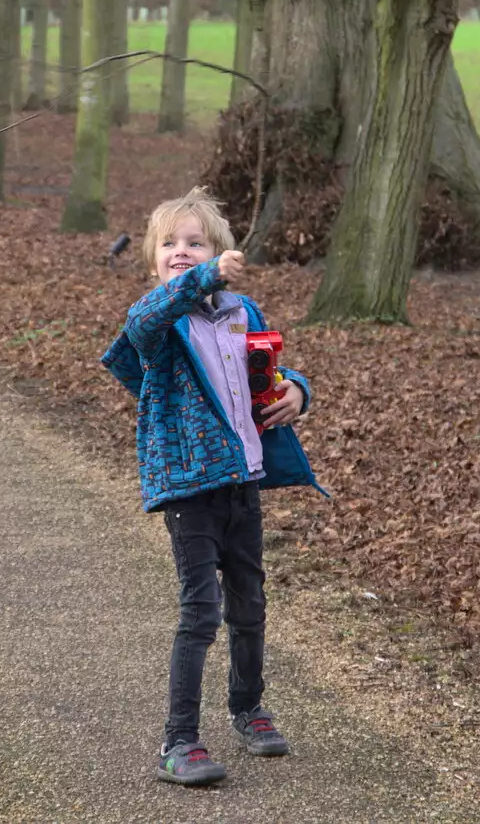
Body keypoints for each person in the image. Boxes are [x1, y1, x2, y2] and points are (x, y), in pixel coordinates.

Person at [101, 187, 326, 787]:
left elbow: (269, 370)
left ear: (223, 252)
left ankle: (248, 707)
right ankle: (179, 743)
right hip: (187, 487)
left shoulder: (241, 312)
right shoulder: (157, 321)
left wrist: (298, 390)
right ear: (154, 262)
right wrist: (198, 277)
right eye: (170, 245)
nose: (182, 251)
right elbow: (147, 319)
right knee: (201, 610)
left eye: (195, 243)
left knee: (249, 603)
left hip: (242, 481)